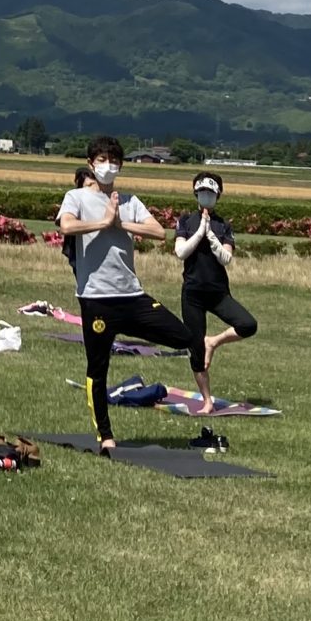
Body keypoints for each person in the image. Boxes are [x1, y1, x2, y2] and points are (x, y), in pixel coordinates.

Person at [57, 137, 197, 454]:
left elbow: (159, 232)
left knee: (182, 336)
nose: (109, 166)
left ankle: (127, 329)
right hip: (96, 299)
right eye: (103, 159)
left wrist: (120, 222)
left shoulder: (129, 200)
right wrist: (101, 223)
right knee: (98, 367)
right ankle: (105, 436)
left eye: (114, 161)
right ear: (92, 163)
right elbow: (66, 227)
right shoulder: (75, 197)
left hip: (131, 295)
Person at [174, 173, 257, 412]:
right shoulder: (185, 221)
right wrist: (199, 231)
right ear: (195, 194)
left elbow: (226, 258)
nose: (206, 197)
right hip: (192, 294)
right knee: (195, 349)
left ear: (218, 195)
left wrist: (211, 236)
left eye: (211, 193)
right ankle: (207, 400)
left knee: (248, 324)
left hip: (218, 293)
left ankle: (215, 341)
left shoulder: (224, 226)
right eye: (202, 193)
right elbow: (181, 252)